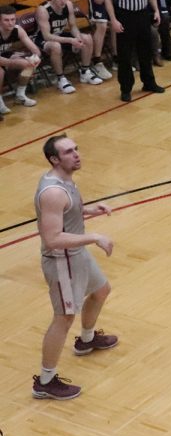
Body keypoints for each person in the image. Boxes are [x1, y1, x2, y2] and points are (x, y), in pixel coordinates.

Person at [32, 134, 117, 400]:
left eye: (76, 149)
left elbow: (67, 215)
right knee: (64, 317)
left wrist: (89, 210)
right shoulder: (53, 192)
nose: (76, 154)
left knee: (101, 289)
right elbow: (53, 238)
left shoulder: (66, 181)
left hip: (76, 254)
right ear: (54, 159)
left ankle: (87, 339)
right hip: (62, 261)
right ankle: (45, 381)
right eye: (68, 152)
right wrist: (94, 236)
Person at [102, 0, 166, 102]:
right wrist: (114, 20)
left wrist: (156, 10)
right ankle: (126, 89)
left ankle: (149, 82)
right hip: (125, 16)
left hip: (142, 14)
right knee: (125, 54)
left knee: (145, 50)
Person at [35, 0, 104, 92]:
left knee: (87, 38)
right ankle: (60, 79)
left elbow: (73, 26)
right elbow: (46, 36)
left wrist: (77, 38)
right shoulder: (43, 10)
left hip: (59, 34)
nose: (62, 0)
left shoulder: (68, 5)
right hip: (42, 39)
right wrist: (71, 40)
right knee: (56, 46)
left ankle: (85, 72)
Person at [0, 6, 41, 113]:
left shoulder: (18, 30)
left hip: (4, 55)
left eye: (13, 19)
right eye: (6, 20)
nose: (10, 23)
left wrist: (35, 58)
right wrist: (12, 62)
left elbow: (34, 49)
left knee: (29, 64)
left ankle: (20, 95)